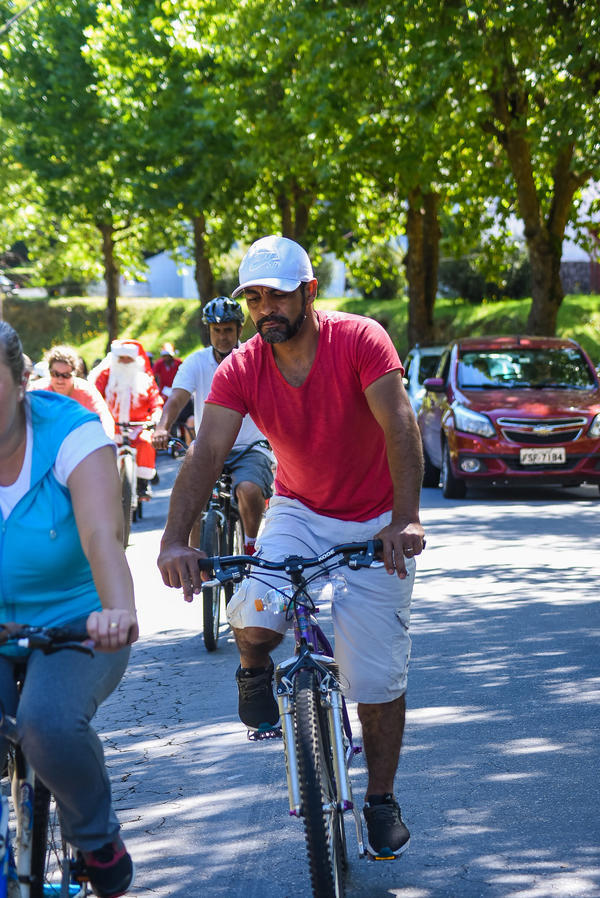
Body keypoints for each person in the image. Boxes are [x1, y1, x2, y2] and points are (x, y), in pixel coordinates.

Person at [157, 236, 425, 861]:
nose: (264, 309)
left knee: (375, 678)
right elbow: (208, 453)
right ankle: (254, 671)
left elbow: (400, 424)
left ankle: (380, 800)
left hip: (375, 518)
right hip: (298, 510)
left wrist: (406, 519)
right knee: (254, 613)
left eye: (277, 295)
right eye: (253, 298)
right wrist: (174, 540)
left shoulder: (360, 339)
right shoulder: (242, 366)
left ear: (308, 292)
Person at [0, 321, 137, 898]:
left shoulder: (71, 433)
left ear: (21, 383)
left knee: (47, 724)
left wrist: (118, 610)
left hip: (77, 620)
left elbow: (103, 537)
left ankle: (95, 837)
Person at [152, 297, 273, 554]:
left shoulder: (254, 358)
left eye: (228, 329)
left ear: (239, 329)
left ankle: (250, 547)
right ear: (208, 331)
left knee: (249, 489)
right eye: (216, 330)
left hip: (249, 447)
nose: (222, 336)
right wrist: (163, 427)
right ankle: (196, 560)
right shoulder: (195, 362)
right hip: (208, 446)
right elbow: (177, 398)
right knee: (192, 501)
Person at [90, 339, 163, 499]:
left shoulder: (145, 379)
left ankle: (143, 482)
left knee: (146, 442)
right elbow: (93, 396)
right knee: (100, 449)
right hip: (111, 426)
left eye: (128, 358)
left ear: (135, 359)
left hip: (138, 426)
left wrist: (156, 416)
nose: (124, 361)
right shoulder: (105, 376)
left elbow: (156, 401)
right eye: (120, 358)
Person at [28, 343, 115, 438]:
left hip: (78, 440)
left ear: (74, 373)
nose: (60, 380)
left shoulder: (86, 390)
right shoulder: (37, 391)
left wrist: (105, 441)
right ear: (49, 372)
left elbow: (104, 419)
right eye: (55, 374)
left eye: (66, 375)